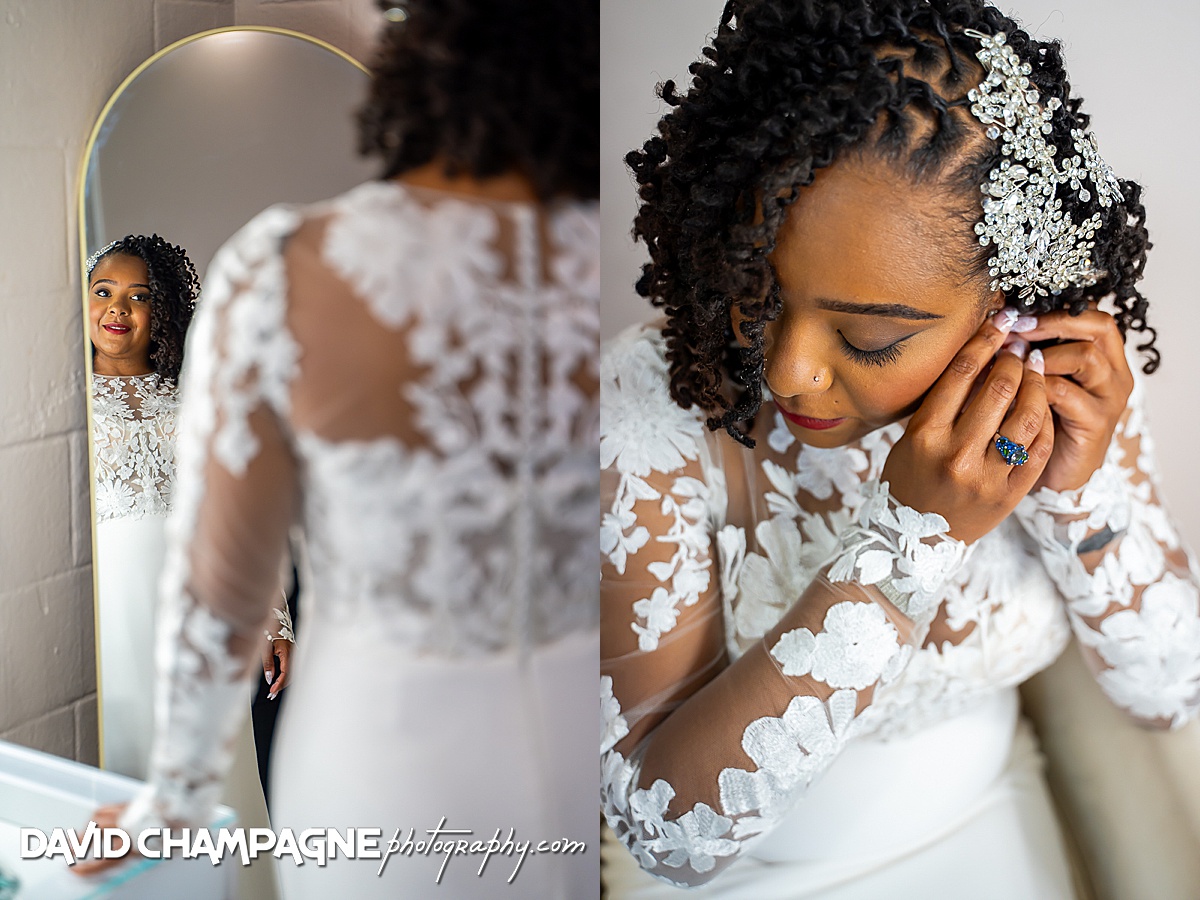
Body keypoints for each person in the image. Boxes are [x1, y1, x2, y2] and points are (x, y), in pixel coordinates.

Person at [600, 1, 1200, 897]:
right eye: (756, 293)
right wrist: (909, 540)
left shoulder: (1063, 384)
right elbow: (665, 837)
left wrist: (1080, 494)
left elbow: (1169, 692)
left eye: (869, 340)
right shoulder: (647, 408)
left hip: (993, 830)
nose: (789, 371)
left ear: (1006, 305)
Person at [78, 1, 599, 897]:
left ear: (417, 52)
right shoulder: (606, 270)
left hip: (372, 764)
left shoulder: (285, 269)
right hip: (568, 772)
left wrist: (173, 798)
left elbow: (220, 590)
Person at [87, 234, 293, 899]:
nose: (118, 309)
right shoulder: (61, 405)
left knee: (216, 774)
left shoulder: (193, 399)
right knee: (128, 763)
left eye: (139, 296)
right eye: (103, 292)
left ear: (163, 311)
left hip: (199, 615)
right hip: (109, 616)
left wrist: (274, 617)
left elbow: (239, 513)